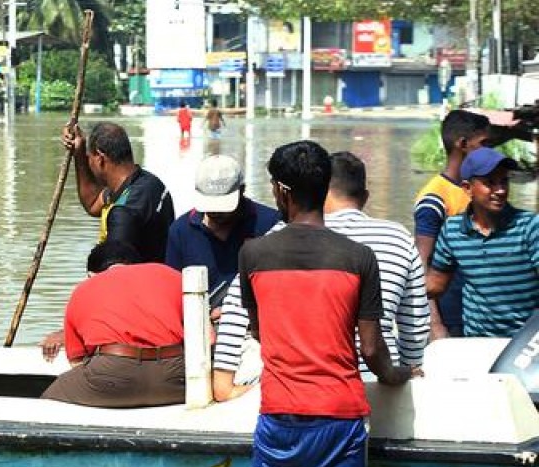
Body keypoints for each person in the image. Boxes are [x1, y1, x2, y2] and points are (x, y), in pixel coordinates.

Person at [233, 140, 415, 467]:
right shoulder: (358, 257)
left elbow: (257, 328)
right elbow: (373, 349)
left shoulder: (253, 254)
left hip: (281, 414)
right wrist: (398, 375)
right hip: (341, 413)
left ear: (283, 191)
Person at [211, 151, 431, 401]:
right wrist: (404, 372)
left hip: (290, 390)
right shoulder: (397, 239)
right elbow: (414, 325)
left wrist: (224, 386)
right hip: (374, 387)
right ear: (365, 197)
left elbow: (237, 316)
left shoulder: (270, 243)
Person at [40, 241, 185, 408]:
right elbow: (207, 338)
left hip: (112, 375)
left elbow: (77, 361)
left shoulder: (84, 288)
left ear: (91, 274)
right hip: (176, 376)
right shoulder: (171, 274)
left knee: (49, 401)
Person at [428, 147, 539, 338]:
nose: (501, 190)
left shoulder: (529, 226)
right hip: (477, 342)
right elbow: (434, 287)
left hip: (525, 345)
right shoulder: (452, 230)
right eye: (490, 183)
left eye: (504, 181)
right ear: (467, 188)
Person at [414, 109, 491, 339]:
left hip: (479, 316)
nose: (489, 151)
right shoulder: (434, 198)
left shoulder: (478, 191)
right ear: (463, 144)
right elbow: (421, 266)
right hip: (451, 315)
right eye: (484, 143)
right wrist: (435, 325)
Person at [164, 154, 279, 295]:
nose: (216, 212)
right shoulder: (180, 231)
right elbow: (172, 290)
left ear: (242, 191)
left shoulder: (270, 224)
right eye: (211, 205)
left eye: (223, 206)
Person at [62, 121, 175, 262]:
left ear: (100, 158)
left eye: (89, 158)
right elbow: (92, 203)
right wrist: (79, 153)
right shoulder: (151, 182)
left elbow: (114, 270)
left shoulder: (123, 212)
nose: (89, 163)